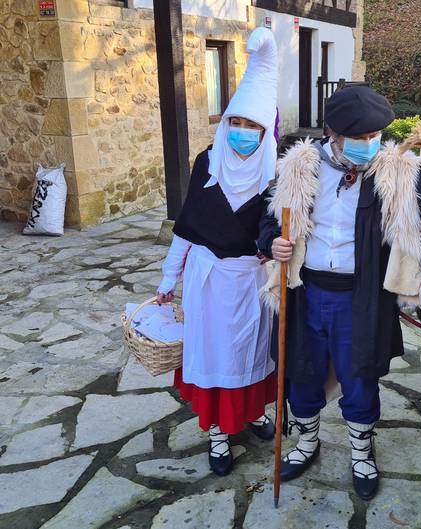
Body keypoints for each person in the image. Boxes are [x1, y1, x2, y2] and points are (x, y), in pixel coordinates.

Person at [257, 85, 421, 499]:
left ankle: (361, 453)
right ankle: (307, 444)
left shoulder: (397, 173)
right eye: (361, 138)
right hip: (305, 292)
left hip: (359, 298)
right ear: (333, 132)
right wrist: (270, 242)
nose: (371, 145)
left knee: (360, 377)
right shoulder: (300, 168)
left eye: (375, 136)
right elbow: (268, 216)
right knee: (302, 372)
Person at [156, 27, 279, 477]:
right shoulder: (208, 162)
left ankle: (254, 413)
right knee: (214, 353)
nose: (243, 133)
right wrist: (168, 280)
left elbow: (280, 227)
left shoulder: (274, 171)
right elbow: (187, 227)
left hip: (250, 279)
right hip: (208, 279)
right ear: (226, 123)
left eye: (253, 127)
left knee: (251, 350)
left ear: (266, 133)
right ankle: (218, 433)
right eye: (237, 124)